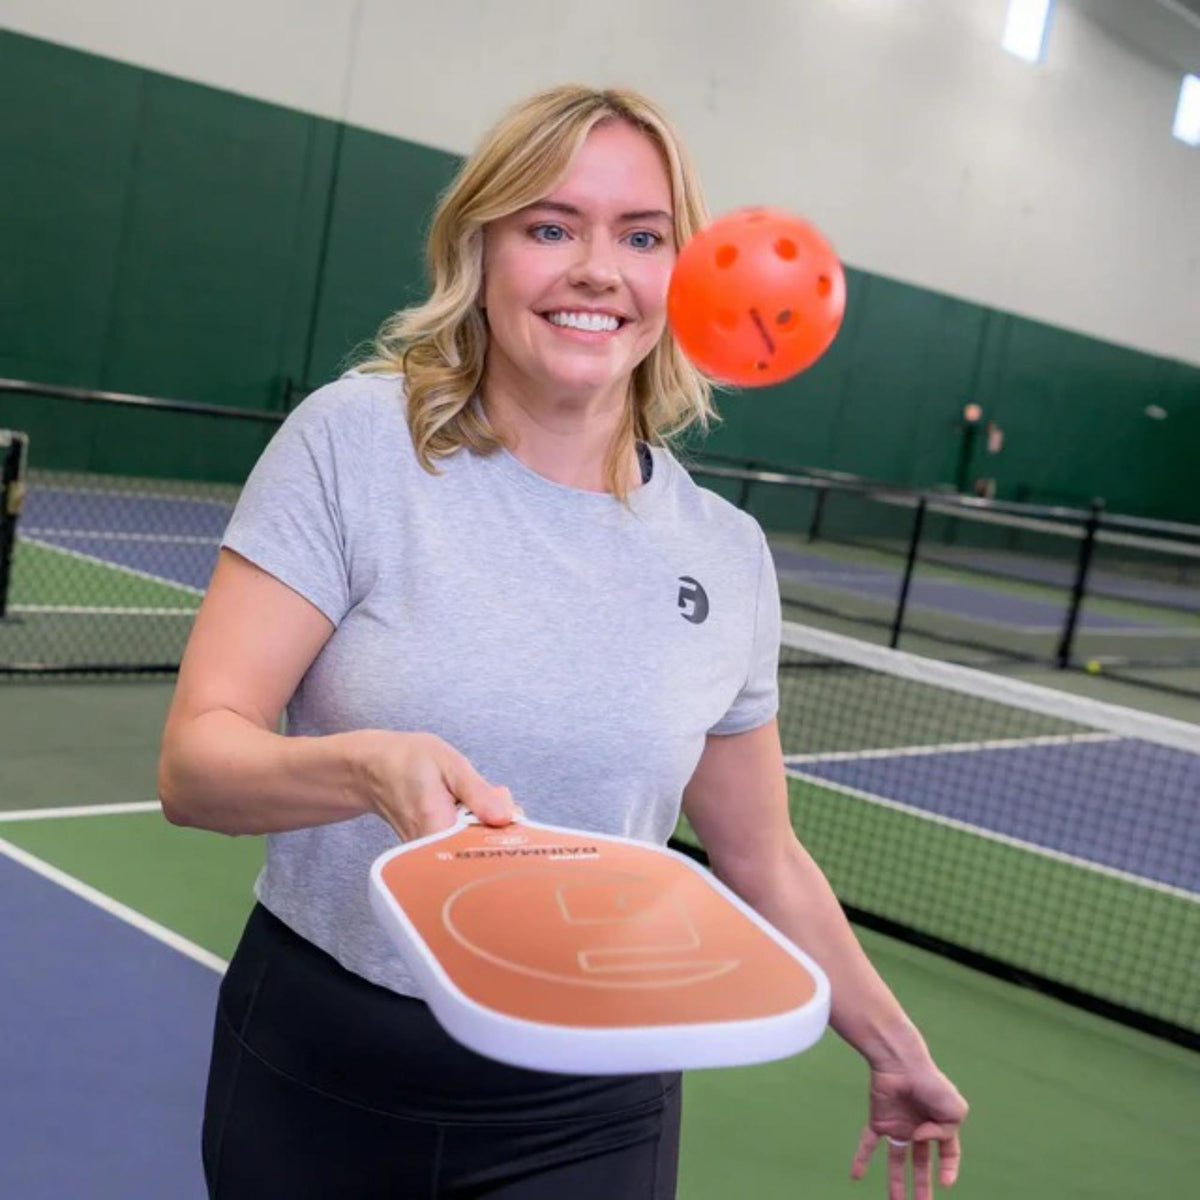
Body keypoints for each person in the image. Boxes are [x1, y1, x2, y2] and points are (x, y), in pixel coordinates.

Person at [159, 83, 967, 1199]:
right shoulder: (350, 445)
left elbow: (760, 853)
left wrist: (892, 1043)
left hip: (595, 1101)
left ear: (682, 278)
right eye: (551, 227)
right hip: (321, 1066)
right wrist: (359, 765)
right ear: (480, 250)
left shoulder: (725, 554)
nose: (599, 270)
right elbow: (197, 765)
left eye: (642, 237)